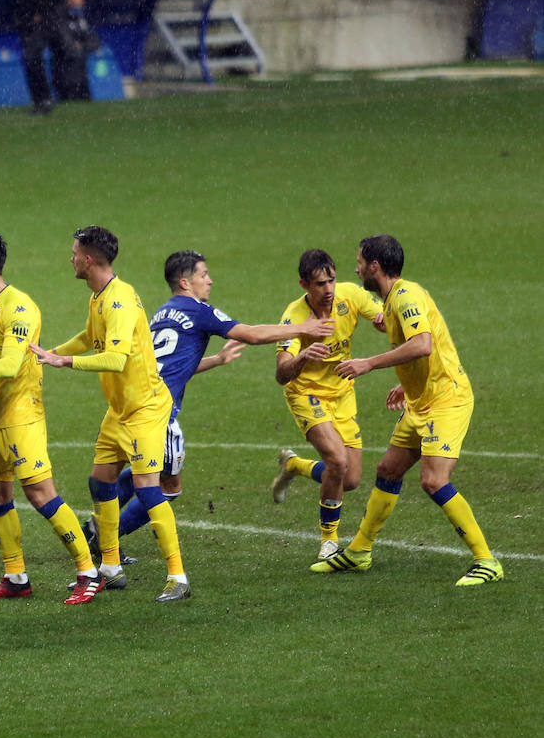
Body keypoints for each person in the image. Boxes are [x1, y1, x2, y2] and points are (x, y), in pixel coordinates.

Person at [110, 251, 333, 547]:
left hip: (131, 403)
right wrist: (302, 328)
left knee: (142, 470)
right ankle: (103, 540)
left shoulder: (162, 313)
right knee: (168, 487)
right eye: (204, 275)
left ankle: (97, 528)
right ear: (185, 282)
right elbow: (251, 334)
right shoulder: (199, 311)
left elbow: (168, 367)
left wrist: (215, 359)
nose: (210, 281)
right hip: (157, 413)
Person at [319, 235, 500, 586]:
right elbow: (431, 346)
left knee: (434, 481)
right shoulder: (390, 301)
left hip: (446, 401)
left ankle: (487, 560)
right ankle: (359, 551)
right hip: (421, 400)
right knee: (388, 469)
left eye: (359, 262)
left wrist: (369, 364)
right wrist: (408, 383)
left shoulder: (406, 297)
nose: (355, 268)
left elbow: (423, 343)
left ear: (375, 266)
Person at [30, 226, 190, 602]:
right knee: (100, 482)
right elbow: (90, 337)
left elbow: (116, 358)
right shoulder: (99, 296)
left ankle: (178, 577)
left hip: (145, 411)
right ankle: (111, 567)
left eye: (74, 253)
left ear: (88, 260)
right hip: (119, 410)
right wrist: (47, 351)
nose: (70, 258)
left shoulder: (118, 301)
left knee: (149, 490)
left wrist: (65, 361)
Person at [0, 232, 103, 606]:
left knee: (40, 494)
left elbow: (9, 365)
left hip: (21, 417)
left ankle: (88, 571)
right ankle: (15, 575)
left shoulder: (19, 309)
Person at [269, 249, 384, 561]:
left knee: (350, 480)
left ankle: (293, 465)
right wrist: (303, 356)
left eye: (331, 280)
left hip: (343, 393)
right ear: (305, 284)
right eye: (320, 284)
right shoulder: (294, 318)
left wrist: (389, 323)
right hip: (306, 394)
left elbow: (384, 319)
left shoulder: (350, 296)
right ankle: (329, 541)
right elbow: (281, 374)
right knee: (337, 460)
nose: (329, 289)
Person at [7, 0, 66, 115]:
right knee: (32, 61)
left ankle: (45, 99)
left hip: (42, 23)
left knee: (36, 59)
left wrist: (40, 13)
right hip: (26, 25)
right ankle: (41, 99)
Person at [56, 0, 100, 102]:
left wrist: (83, 46)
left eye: (81, 4)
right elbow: (66, 44)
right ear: (68, 3)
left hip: (82, 74)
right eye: (76, 4)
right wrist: (76, 47)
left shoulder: (82, 20)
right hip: (65, 72)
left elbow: (95, 41)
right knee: (70, 102)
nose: (79, 7)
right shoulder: (60, 19)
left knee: (86, 103)